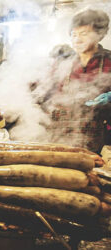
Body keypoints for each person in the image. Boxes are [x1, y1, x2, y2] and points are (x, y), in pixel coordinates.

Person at [47, 9, 111, 153]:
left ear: (99, 35)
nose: (77, 39)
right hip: (60, 132)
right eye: (74, 34)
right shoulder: (63, 61)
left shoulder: (109, 60)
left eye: (84, 34)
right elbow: (46, 90)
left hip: (97, 134)